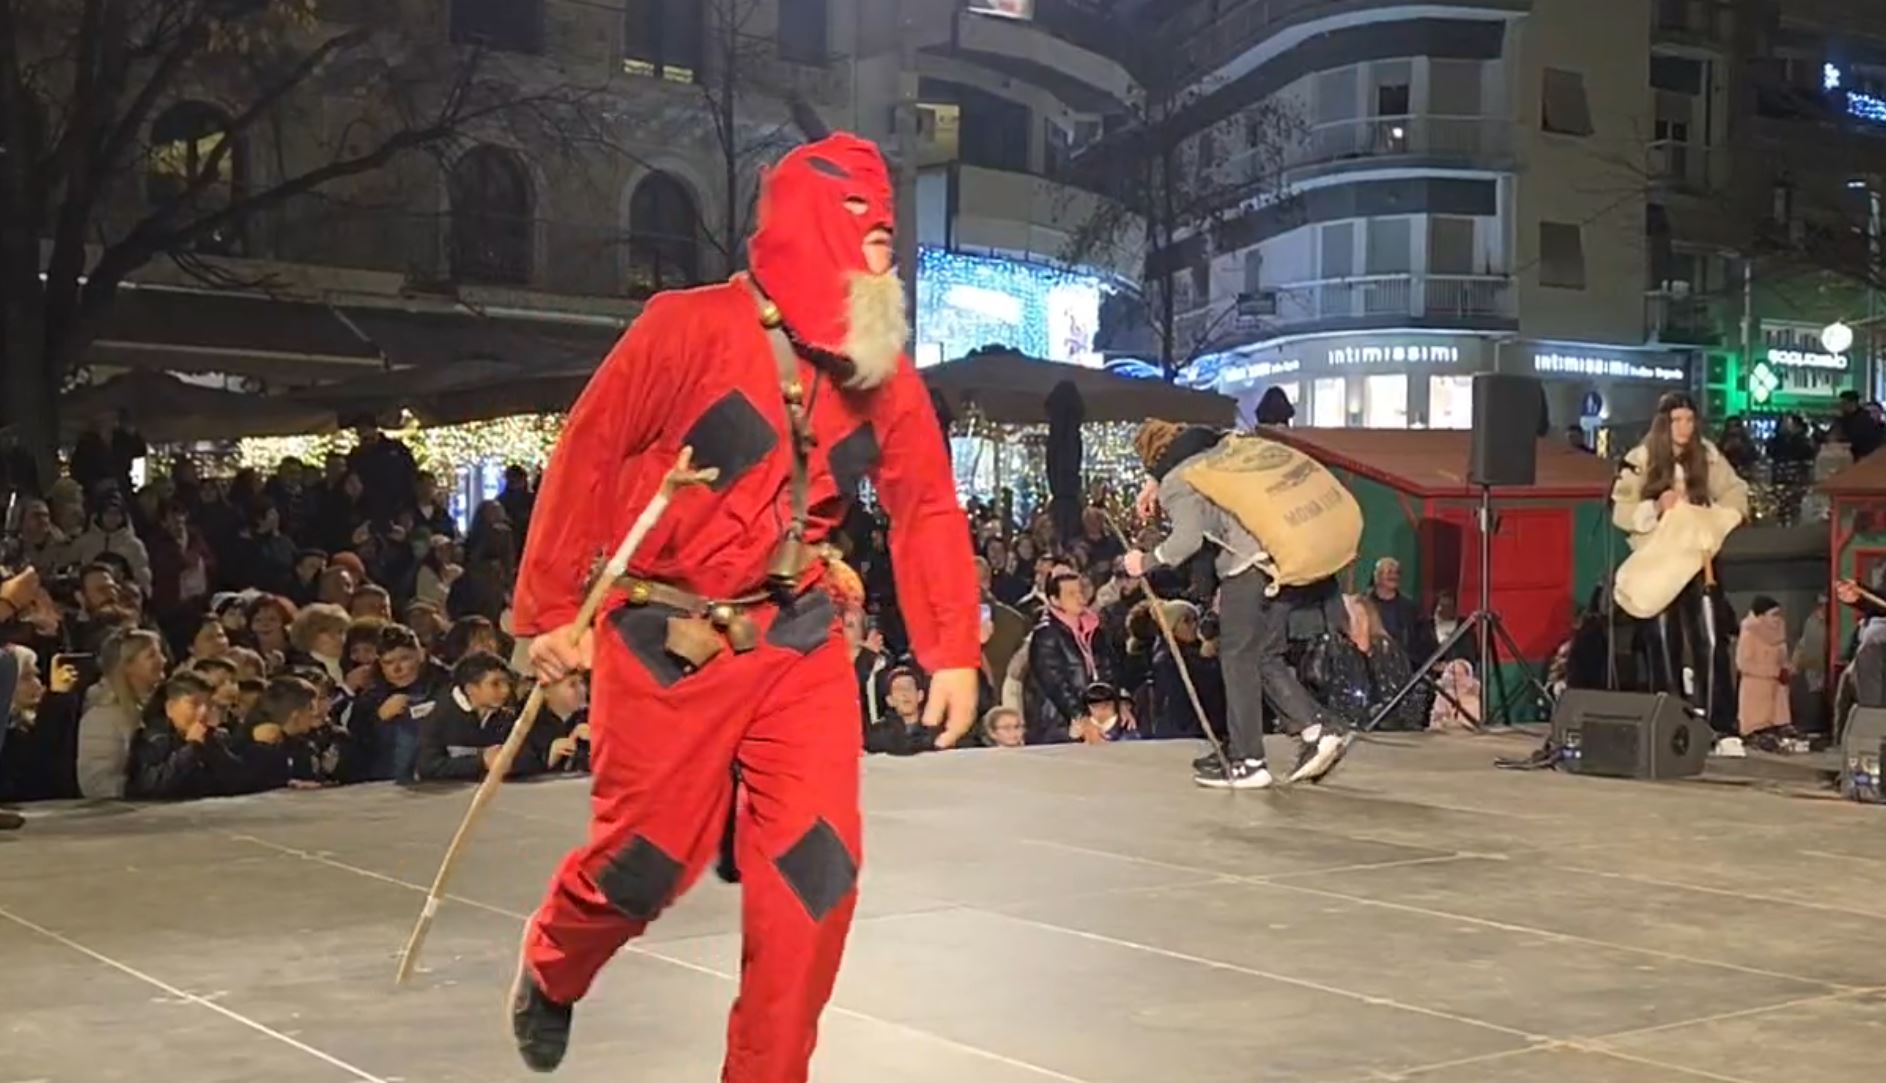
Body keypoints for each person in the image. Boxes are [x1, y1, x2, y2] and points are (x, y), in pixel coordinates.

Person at [509, 131, 981, 1078]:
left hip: (795, 637)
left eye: (887, 229)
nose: (885, 246)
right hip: (666, 636)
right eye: (864, 225)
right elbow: (590, 450)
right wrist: (551, 612)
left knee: (816, 876)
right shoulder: (684, 327)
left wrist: (952, 649)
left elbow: (926, 501)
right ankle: (554, 964)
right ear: (813, 227)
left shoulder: (880, 370)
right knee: (643, 863)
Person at [1125, 420, 1348, 789]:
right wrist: (1155, 480)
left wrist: (1145, 561)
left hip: (1246, 569)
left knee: (1237, 659)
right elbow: (1201, 436)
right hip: (1282, 562)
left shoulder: (1179, 480)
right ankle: (1317, 729)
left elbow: (1186, 541)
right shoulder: (1221, 454)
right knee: (1264, 655)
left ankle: (1248, 760)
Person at [1611, 392, 1749, 738]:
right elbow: (1622, 511)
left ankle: (1719, 725)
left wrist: (1716, 518)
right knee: (1662, 641)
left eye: (1689, 420)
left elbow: (1735, 492)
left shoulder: (1708, 456)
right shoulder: (1641, 458)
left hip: (1699, 560)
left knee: (1711, 637)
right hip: (1659, 561)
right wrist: (1657, 506)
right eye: (1676, 420)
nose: (1684, 427)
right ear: (1664, 423)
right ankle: (1669, 723)